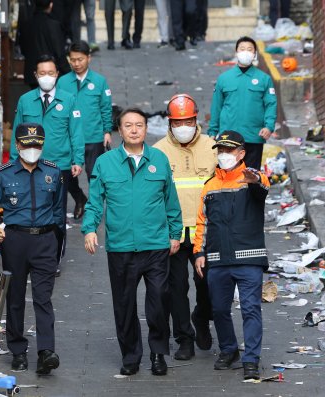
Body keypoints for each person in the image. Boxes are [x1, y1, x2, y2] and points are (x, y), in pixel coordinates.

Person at [82, 108, 183, 376]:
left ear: (146, 129)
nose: (135, 130)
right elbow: (94, 202)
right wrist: (89, 229)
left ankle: (158, 354)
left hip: (155, 245)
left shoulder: (159, 160)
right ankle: (131, 356)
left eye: (139, 125)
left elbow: (171, 200)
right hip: (121, 247)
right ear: (120, 130)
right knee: (124, 304)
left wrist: (175, 233)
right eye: (129, 126)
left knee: (159, 300)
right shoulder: (105, 163)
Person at [0, 122, 64, 375]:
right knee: (15, 297)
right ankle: (18, 350)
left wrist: (58, 246)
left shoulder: (53, 172)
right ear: (17, 145)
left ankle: (46, 352)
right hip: (15, 241)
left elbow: (59, 212)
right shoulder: (3, 174)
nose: (33, 148)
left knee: (43, 298)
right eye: (27, 144)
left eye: (37, 144)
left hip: (45, 240)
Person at [192, 131, 270, 380]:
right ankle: (228, 350)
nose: (224, 154)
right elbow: (202, 223)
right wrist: (198, 253)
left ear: (241, 153)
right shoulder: (210, 186)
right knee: (219, 309)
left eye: (229, 150)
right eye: (221, 150)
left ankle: (251, 360)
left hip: (249, 259)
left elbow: (262, 187)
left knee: (250, 309)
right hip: (217, 259)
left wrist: (254, 179)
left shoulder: (254, 179)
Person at [153, 94, 216, 360]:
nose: (184, 126)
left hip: (205, 231)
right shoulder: (158, 151)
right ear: (169, 122)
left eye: (188, 120)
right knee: (176, 288)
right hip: (174, 233)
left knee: (209, 285)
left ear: (196, 118)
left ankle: (201, 317)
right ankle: (184, 338)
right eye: (178, 122)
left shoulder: (213, 147)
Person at [10, 54, 85, 264]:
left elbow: (76, 132)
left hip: (58, 166)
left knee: (57, 214)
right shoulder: (25, 100)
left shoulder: (68, 100)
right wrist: (13, 162)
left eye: (50, 73)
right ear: (35, 75)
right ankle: (32, 256)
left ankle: (54, 258)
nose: (46, 77)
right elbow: (17, 131)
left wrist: (77, 160)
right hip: (29, 164)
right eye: (42, 73)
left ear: (57, 75)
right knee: (28, 210)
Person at [56, 40, 113, 219]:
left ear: (88, 58)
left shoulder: (99, 81)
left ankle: (94, 209)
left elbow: (106, 107)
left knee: (94, 174)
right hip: (70, 138)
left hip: (93, 136)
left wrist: (107, 131)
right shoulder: (62, 82)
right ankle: (80, 198)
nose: (76, 64)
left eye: (80, 59)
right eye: (73, 60)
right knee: (67, 175)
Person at [208, 36, 277, 170]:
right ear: (236, 52)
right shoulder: (224, 79)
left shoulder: (264, 79)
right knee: (227, 176)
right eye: (242, 49)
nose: (246, 52)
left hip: (253, 136)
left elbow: (271, 104)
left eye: (250, 49)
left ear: (255, 54)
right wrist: (212, 131)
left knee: (250, 177)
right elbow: (216, 106)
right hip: (228, 137)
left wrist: (269, 126)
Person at [19, 0, 70, 88]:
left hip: (32, 72)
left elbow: (23, 49)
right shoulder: (54, 25)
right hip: (51, 72)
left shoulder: (26, 24)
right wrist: (68, 71)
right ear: (50, 5)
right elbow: (59, 52)